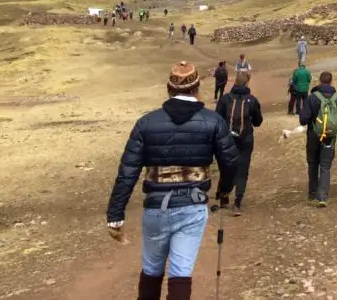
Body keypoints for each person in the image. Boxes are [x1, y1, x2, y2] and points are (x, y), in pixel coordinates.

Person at [105, 61, 239, 300]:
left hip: (156, 207)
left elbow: (128, 170)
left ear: (169, 89)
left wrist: (115, 214)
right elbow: (230, 161)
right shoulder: (212, 121)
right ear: (196, 88)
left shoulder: (146, 123)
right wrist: (224, 190)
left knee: (152, 270)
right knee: (181, 272)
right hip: (192, 205)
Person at [214, 70, 262, 216]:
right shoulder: (252, 100)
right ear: (247, 82)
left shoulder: (225, 99)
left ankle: (224, 198)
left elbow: (217, 119)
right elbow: (258, 121)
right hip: (246, 139)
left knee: (226, 166)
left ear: (234, 81)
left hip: (227, 139)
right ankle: (237, 203)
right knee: (242, 169)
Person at [299, 71, 337, 207]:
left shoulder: (312, 97)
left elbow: (303, 120)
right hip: (329, 136)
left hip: (313, 135)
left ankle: (312, 193)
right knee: (325, 166)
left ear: (319, 81)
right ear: (331, 82)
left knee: (313, 163)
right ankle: (323, 196)